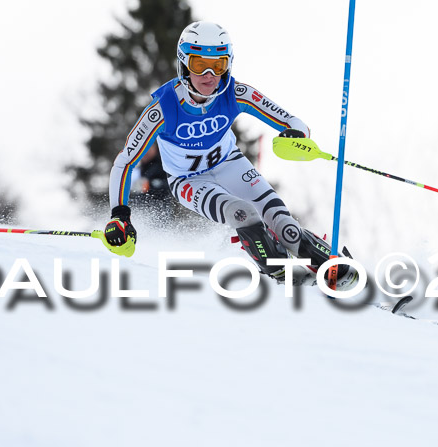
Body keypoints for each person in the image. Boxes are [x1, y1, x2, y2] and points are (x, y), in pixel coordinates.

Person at [103, 21, 357, 290]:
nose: (210, 74)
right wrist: (120, 214)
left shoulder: (236, 93)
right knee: (243, 214)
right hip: (188, 181)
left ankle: (342, 272)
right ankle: (282, 276)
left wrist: (295, 134)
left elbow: (293, 122)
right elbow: (125, 161)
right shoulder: (162, 108)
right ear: (184, 64)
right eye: (200, 64)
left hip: (230, 165)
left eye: (219, 64)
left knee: (284, 225)